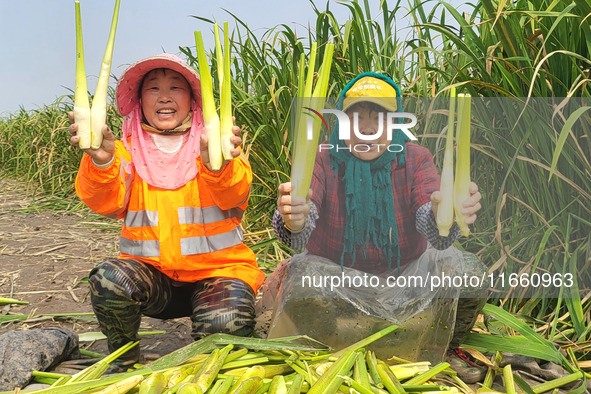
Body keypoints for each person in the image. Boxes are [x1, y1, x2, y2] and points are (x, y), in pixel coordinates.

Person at [269, 72, 484, 358]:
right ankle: (360, 339)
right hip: (340, 282)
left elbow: (431, 221)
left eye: (380, 119)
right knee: (301, 278)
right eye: (356, 119)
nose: (368, 129)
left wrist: (445, 213)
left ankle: (438, 345)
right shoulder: (322, 159)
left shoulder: (416, 158)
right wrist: (295, 220)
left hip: (404, 277)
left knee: (469, 273)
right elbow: (303, 221)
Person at [68, 54, 264, 364]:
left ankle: (208, 360)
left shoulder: (218, 146)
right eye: (152, 89)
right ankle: (124, 360)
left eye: (176, 87)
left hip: (218, 276)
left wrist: (218, 166)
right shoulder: (122, 151)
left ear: (192, 100)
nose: (164, 97)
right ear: (138, 101)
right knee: (109, 279)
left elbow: (235, 194)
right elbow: (105, 203)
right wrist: (101, 160)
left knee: (224, 326)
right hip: (154, 282)